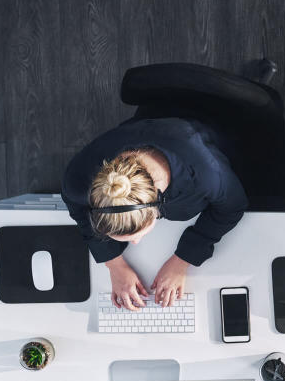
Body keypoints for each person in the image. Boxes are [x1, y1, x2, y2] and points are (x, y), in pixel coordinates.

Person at [62, 118, 248, 309]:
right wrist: (114, 264)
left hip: (216, 127)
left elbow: (232, 206)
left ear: (156, 207)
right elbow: (76, 207)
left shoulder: (206, 176)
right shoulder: (79, 179)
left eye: (138, 234)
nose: (135, 242)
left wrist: (183, 259)